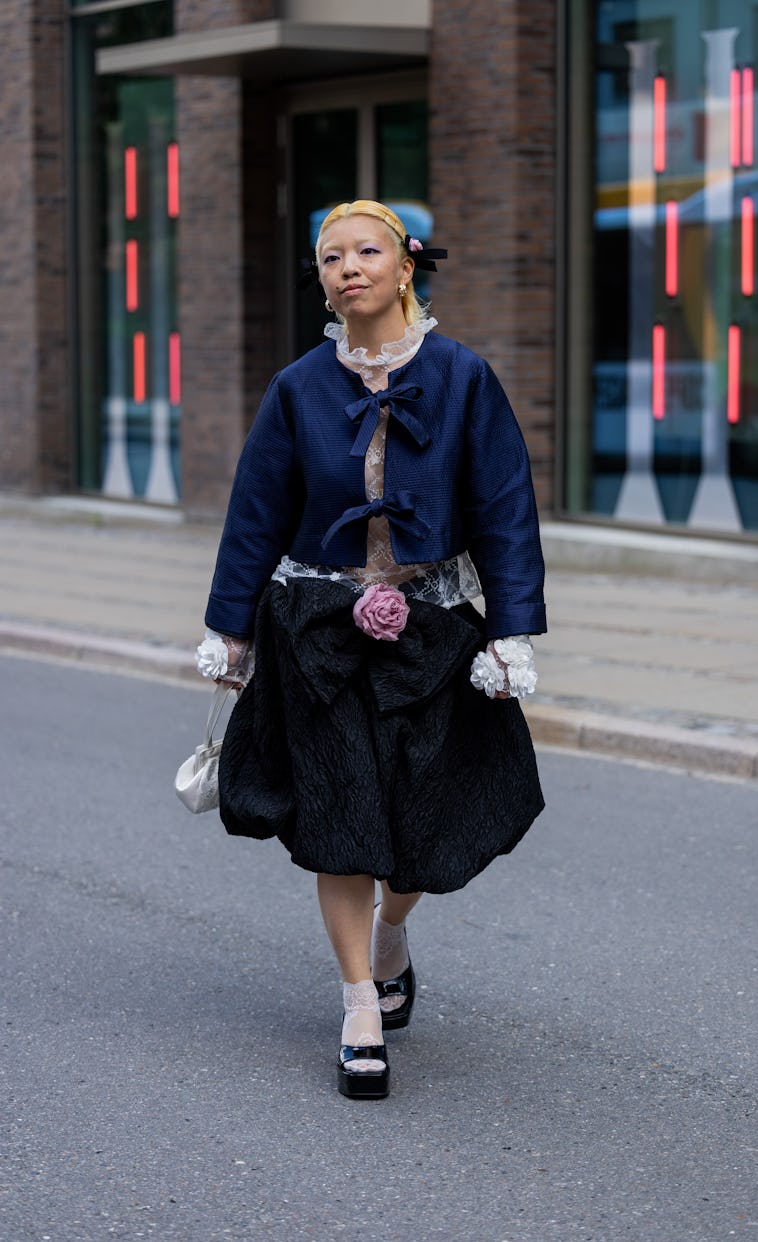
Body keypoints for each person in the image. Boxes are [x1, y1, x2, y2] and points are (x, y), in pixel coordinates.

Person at [195, 199, 547, 1100]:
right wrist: (228, 627)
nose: (347, 267)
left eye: (366, 251)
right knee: (341, 818)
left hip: (432, 627)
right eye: (330, 256)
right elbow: (254, 514)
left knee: (424, 816)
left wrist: (510, 630)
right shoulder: (298, 387)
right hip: (317, 631)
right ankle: (359, 1005)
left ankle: (394, 929)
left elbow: (505, 509)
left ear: (406, 266)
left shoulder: (465, 378)